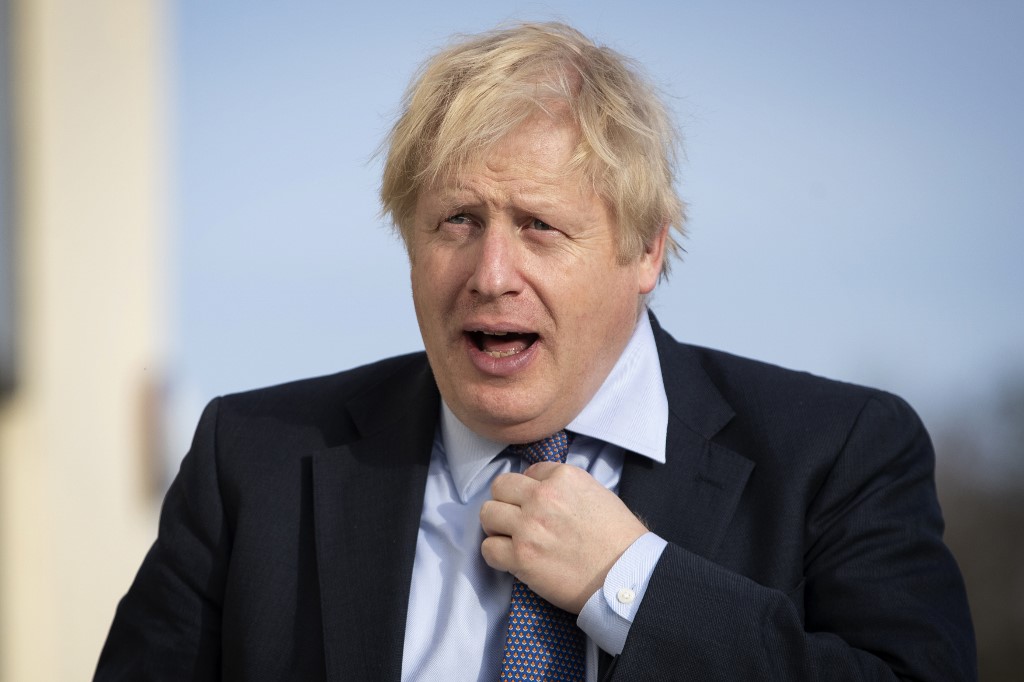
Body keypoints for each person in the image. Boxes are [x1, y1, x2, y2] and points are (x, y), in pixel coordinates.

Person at [95, 21, 975, 681]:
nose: (490, 272)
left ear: (646, 251)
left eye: (540, 227)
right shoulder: (256, 456)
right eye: (457, 222)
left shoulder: (841, 451)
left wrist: (634, 582)